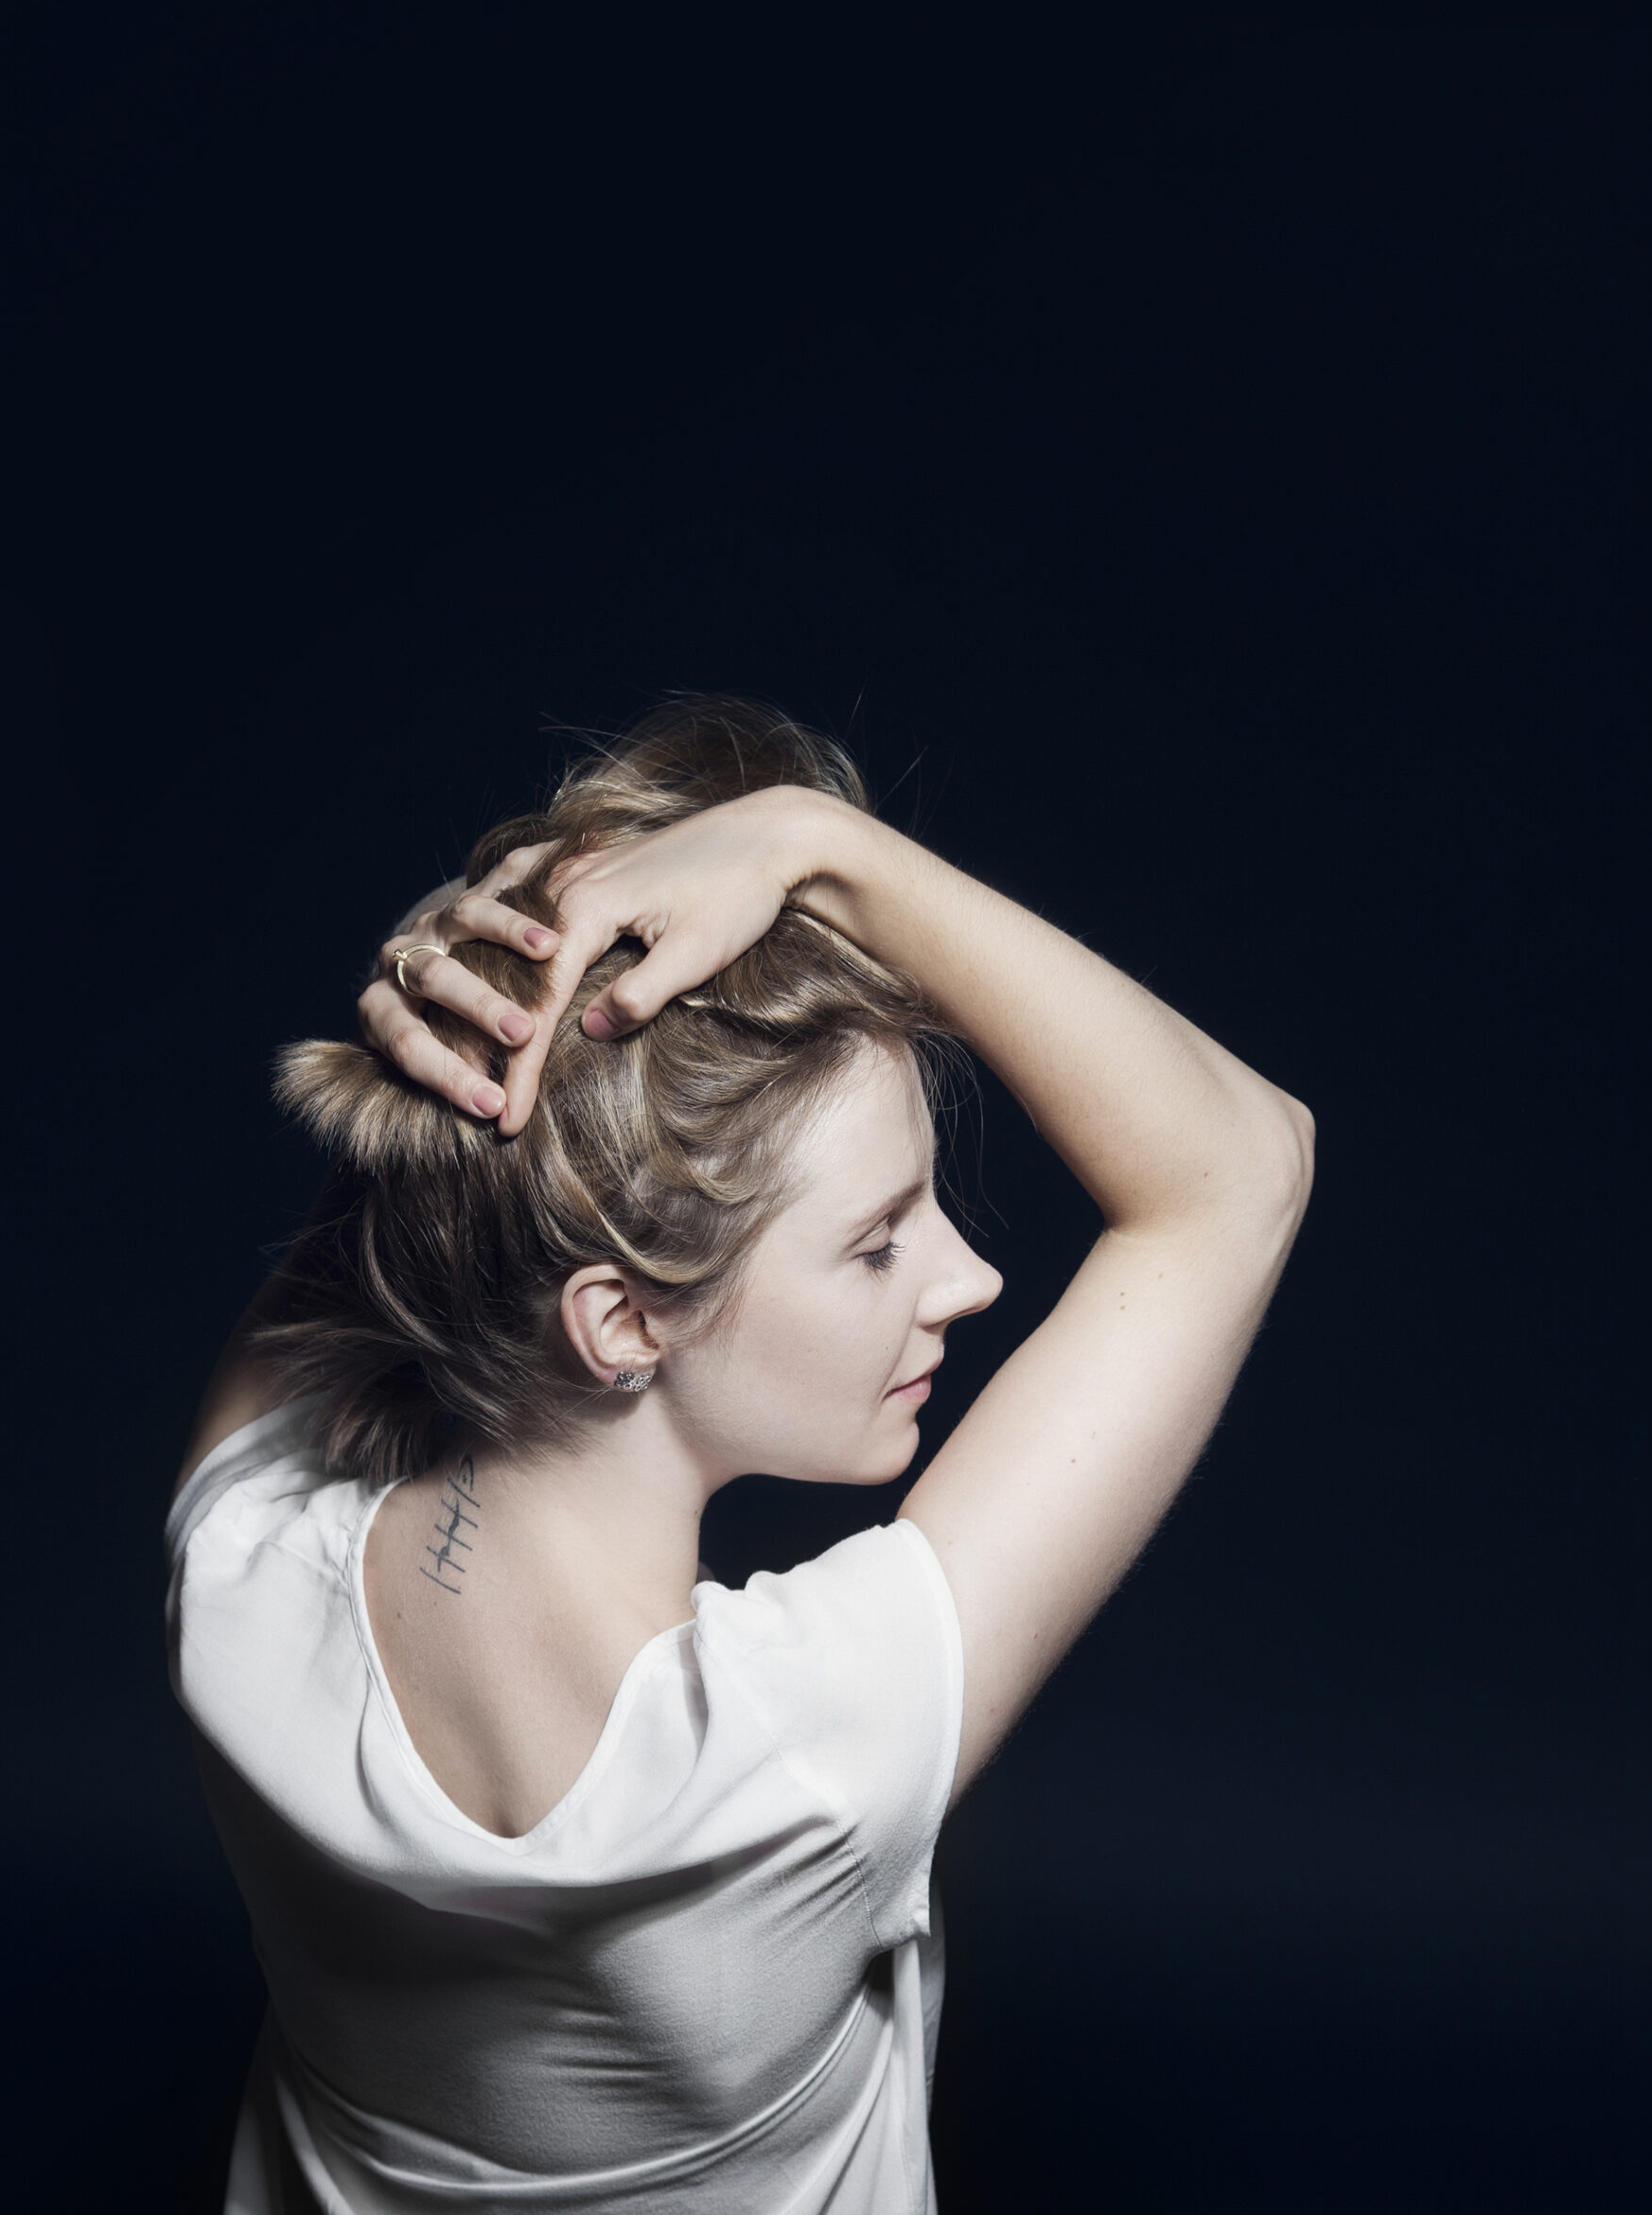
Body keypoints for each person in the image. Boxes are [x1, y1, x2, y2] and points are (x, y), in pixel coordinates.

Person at [169, 698, 1314, 2215]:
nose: (969, 1278)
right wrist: (816, 847)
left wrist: (489, 1005)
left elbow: (434, 1183)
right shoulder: (805, 1756)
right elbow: (1243, 1166)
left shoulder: (237, 1585)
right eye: (878, 1239)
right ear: (623, 1320)